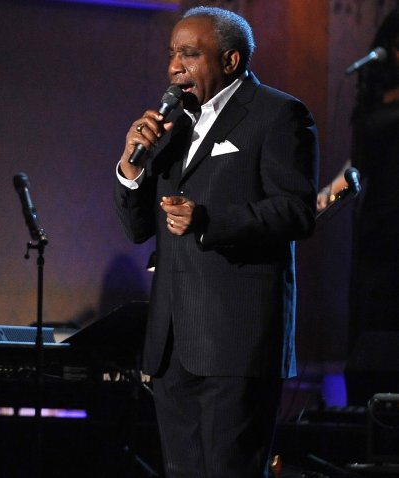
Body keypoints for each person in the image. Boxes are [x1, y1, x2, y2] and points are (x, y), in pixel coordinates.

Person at [113, 7, 318, 477]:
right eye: (171, 54)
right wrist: (131, 168)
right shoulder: (173, 125)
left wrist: (209, 221)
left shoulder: (279, 114)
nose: (173, 67)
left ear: (230, 61)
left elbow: (296, 211)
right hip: (171, 346)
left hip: (236, 343)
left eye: (189, 54)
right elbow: (138, 228)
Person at [317, 8, 399, 353]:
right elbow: (359, 162)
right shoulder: (374, 95)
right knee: (376, 324)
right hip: (380, 225)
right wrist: (325, 197)